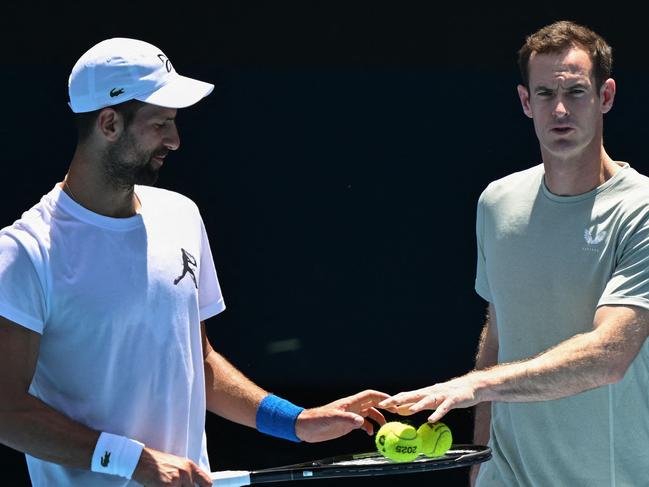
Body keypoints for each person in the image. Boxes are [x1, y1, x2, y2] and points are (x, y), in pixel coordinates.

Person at [0, 38, 388, 487]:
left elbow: (197, 360)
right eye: (161, 123)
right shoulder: (25, 252)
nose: (175, 140)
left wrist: (296, 421)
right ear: (109, 123)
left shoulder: (181, 215)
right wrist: (134, 461)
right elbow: (7, 411)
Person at [379, 20, 649, 486]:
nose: (560, 109)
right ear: (526, 102)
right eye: (544, 94)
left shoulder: (640, 209)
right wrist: (480, 459)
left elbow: (610, 354)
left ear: (605, 96)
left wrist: (474, 385)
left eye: (576, 92)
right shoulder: (497, 202)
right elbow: (500, 330)